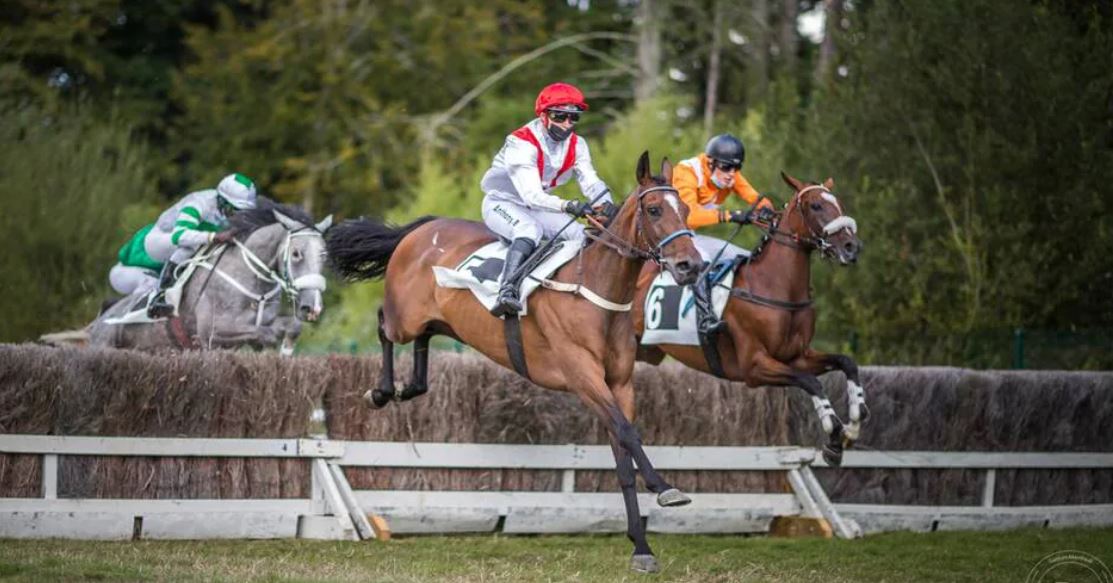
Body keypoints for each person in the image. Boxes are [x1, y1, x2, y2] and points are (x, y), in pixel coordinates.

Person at [480, 82, 614, 317]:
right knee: (529, 229)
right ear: (543, 115)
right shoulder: (521, 142)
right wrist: (568, 205)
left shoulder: (578, 144)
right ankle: (507, 290)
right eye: (560, 116)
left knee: (581, 235)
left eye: (574, 118)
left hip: (538, 205)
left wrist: (606, 204)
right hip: (503, 203)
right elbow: (531, 195)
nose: (567, 124)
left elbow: (590, 181)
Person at [108, 173, 258, 317]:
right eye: (235, 210)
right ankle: (160, 297)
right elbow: (180, 235)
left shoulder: (226, 210)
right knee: (190, 246)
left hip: (184, 243)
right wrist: (214, 236)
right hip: (159, 240)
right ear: (222, 200)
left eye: (244, 212)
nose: (238, 217)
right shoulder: (199, 203)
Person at [673, 134, 775, 335]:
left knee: (747, 258)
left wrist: (766, 210)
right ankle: (705, 320)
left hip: (689, 235)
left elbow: (755, 197)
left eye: (737, 168)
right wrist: (730, 215)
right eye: (726, 168)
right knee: (702, 258)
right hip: (671, 236)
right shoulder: (686, 173)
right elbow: (690, 217)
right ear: (710, 163)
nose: (732, 174)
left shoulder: (729, 174)